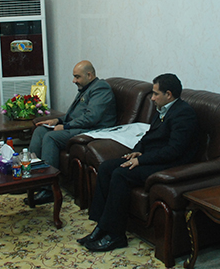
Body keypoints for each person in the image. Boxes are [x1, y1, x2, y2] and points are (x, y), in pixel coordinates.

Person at [78, 73, 199, 252]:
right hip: (153, 157)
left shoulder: (183, 114)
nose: (152, 98)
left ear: (168, 94)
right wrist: (137, 150)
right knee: (106, 167)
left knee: (121, 174)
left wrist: (141, 160)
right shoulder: (163, 109)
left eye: (156, 94)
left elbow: (174, 151)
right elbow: (149, 135)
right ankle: (102, 226)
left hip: (170, 165)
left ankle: (116, 235)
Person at [28, 60, 117, 205]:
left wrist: (65, 126)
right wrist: (57, 120)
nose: (74, 80)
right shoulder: (86, 87)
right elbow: (74, 115)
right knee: (40, 130)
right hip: (81, 126)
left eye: (77, 77)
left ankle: (48, 189)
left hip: (94, 130)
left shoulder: (101, 89)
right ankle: (32, 180)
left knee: (51, 137)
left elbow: (91, 118)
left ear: (89, 75)